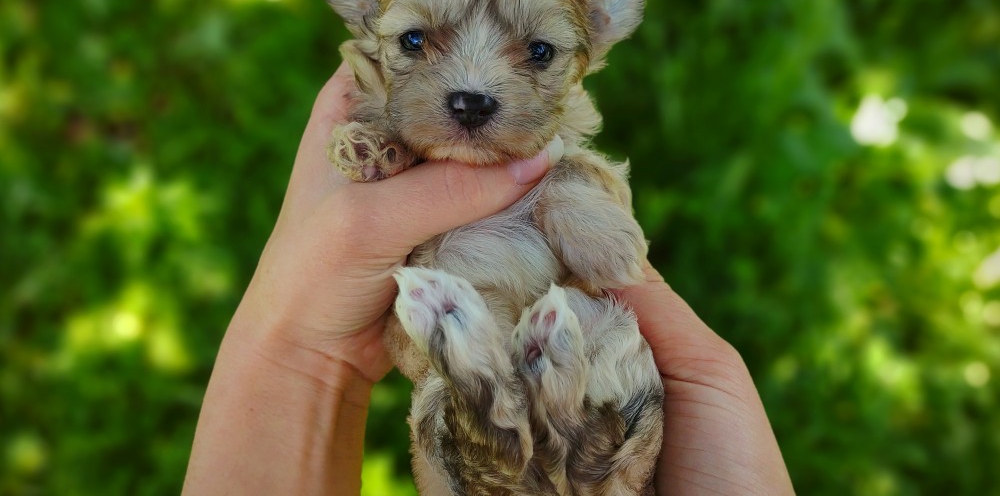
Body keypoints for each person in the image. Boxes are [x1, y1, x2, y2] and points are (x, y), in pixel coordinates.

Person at [182, 65, 796, 495]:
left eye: (535, 53)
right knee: (461, 411)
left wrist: (300, 353)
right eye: (420, 41)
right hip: (537, 382)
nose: (473, 85)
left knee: (580, 362)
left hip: (583, 392)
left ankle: (490, 404)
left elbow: (606, 239)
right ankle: (494, 403)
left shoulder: (560, 157)